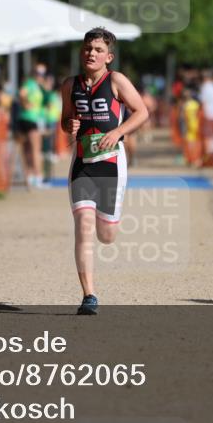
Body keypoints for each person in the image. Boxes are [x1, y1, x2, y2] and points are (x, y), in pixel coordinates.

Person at [60, 28, 148, 315]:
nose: (91, 53)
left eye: (98, 50)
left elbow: (142, 111)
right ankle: (89, 295)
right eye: (88, 48)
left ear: (108, 57)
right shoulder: (69, 85)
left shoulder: (117, 81)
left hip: (111, 163)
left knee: (106, 235)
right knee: (83, 227)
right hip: (82, 163)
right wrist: (69, 125)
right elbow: (65, 120)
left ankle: (109, 219)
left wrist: (119, 132)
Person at [17, 63, 47, 189]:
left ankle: (29, 178)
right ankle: (38, 177)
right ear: (34, 73)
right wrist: (26, 104)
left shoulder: (37, 86)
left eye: (43, 73)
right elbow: (21, 94)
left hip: (27, 119)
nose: (41, 76)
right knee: (35, 149)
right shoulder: (30, 84)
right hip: (30, 119)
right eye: (39, 73)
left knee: (28, 150)